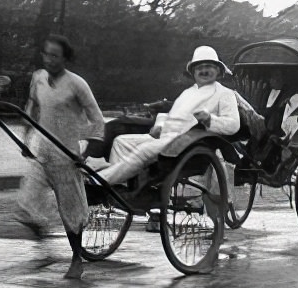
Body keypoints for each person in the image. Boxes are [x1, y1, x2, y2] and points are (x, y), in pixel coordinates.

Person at [14, 35, 105, 280]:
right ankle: (44, 236)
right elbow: (32, 108)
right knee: (25, 203)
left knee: (72, 212)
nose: (50, 59)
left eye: (55, 55)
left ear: (65, 58)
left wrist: (85, 153)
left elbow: (96, 118)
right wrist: (26, 139)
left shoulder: (77, 84)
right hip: (43, 150)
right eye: (46, 54)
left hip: (67, 154)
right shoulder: (39, 78)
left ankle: (77, 258)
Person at [96, 46, 240, 185]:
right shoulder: (189, 93)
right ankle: (119, 189)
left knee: (144, 151)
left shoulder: (225, 94)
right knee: (121, 142)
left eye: (209, 66)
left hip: (190, 143)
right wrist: (159, 125)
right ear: (193, 72)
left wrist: (209, 119)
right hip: (169, 137)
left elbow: (233, 125)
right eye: (199, 67)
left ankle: (101, 182)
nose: (203, 71)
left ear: (218, 71)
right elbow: (171, 115)